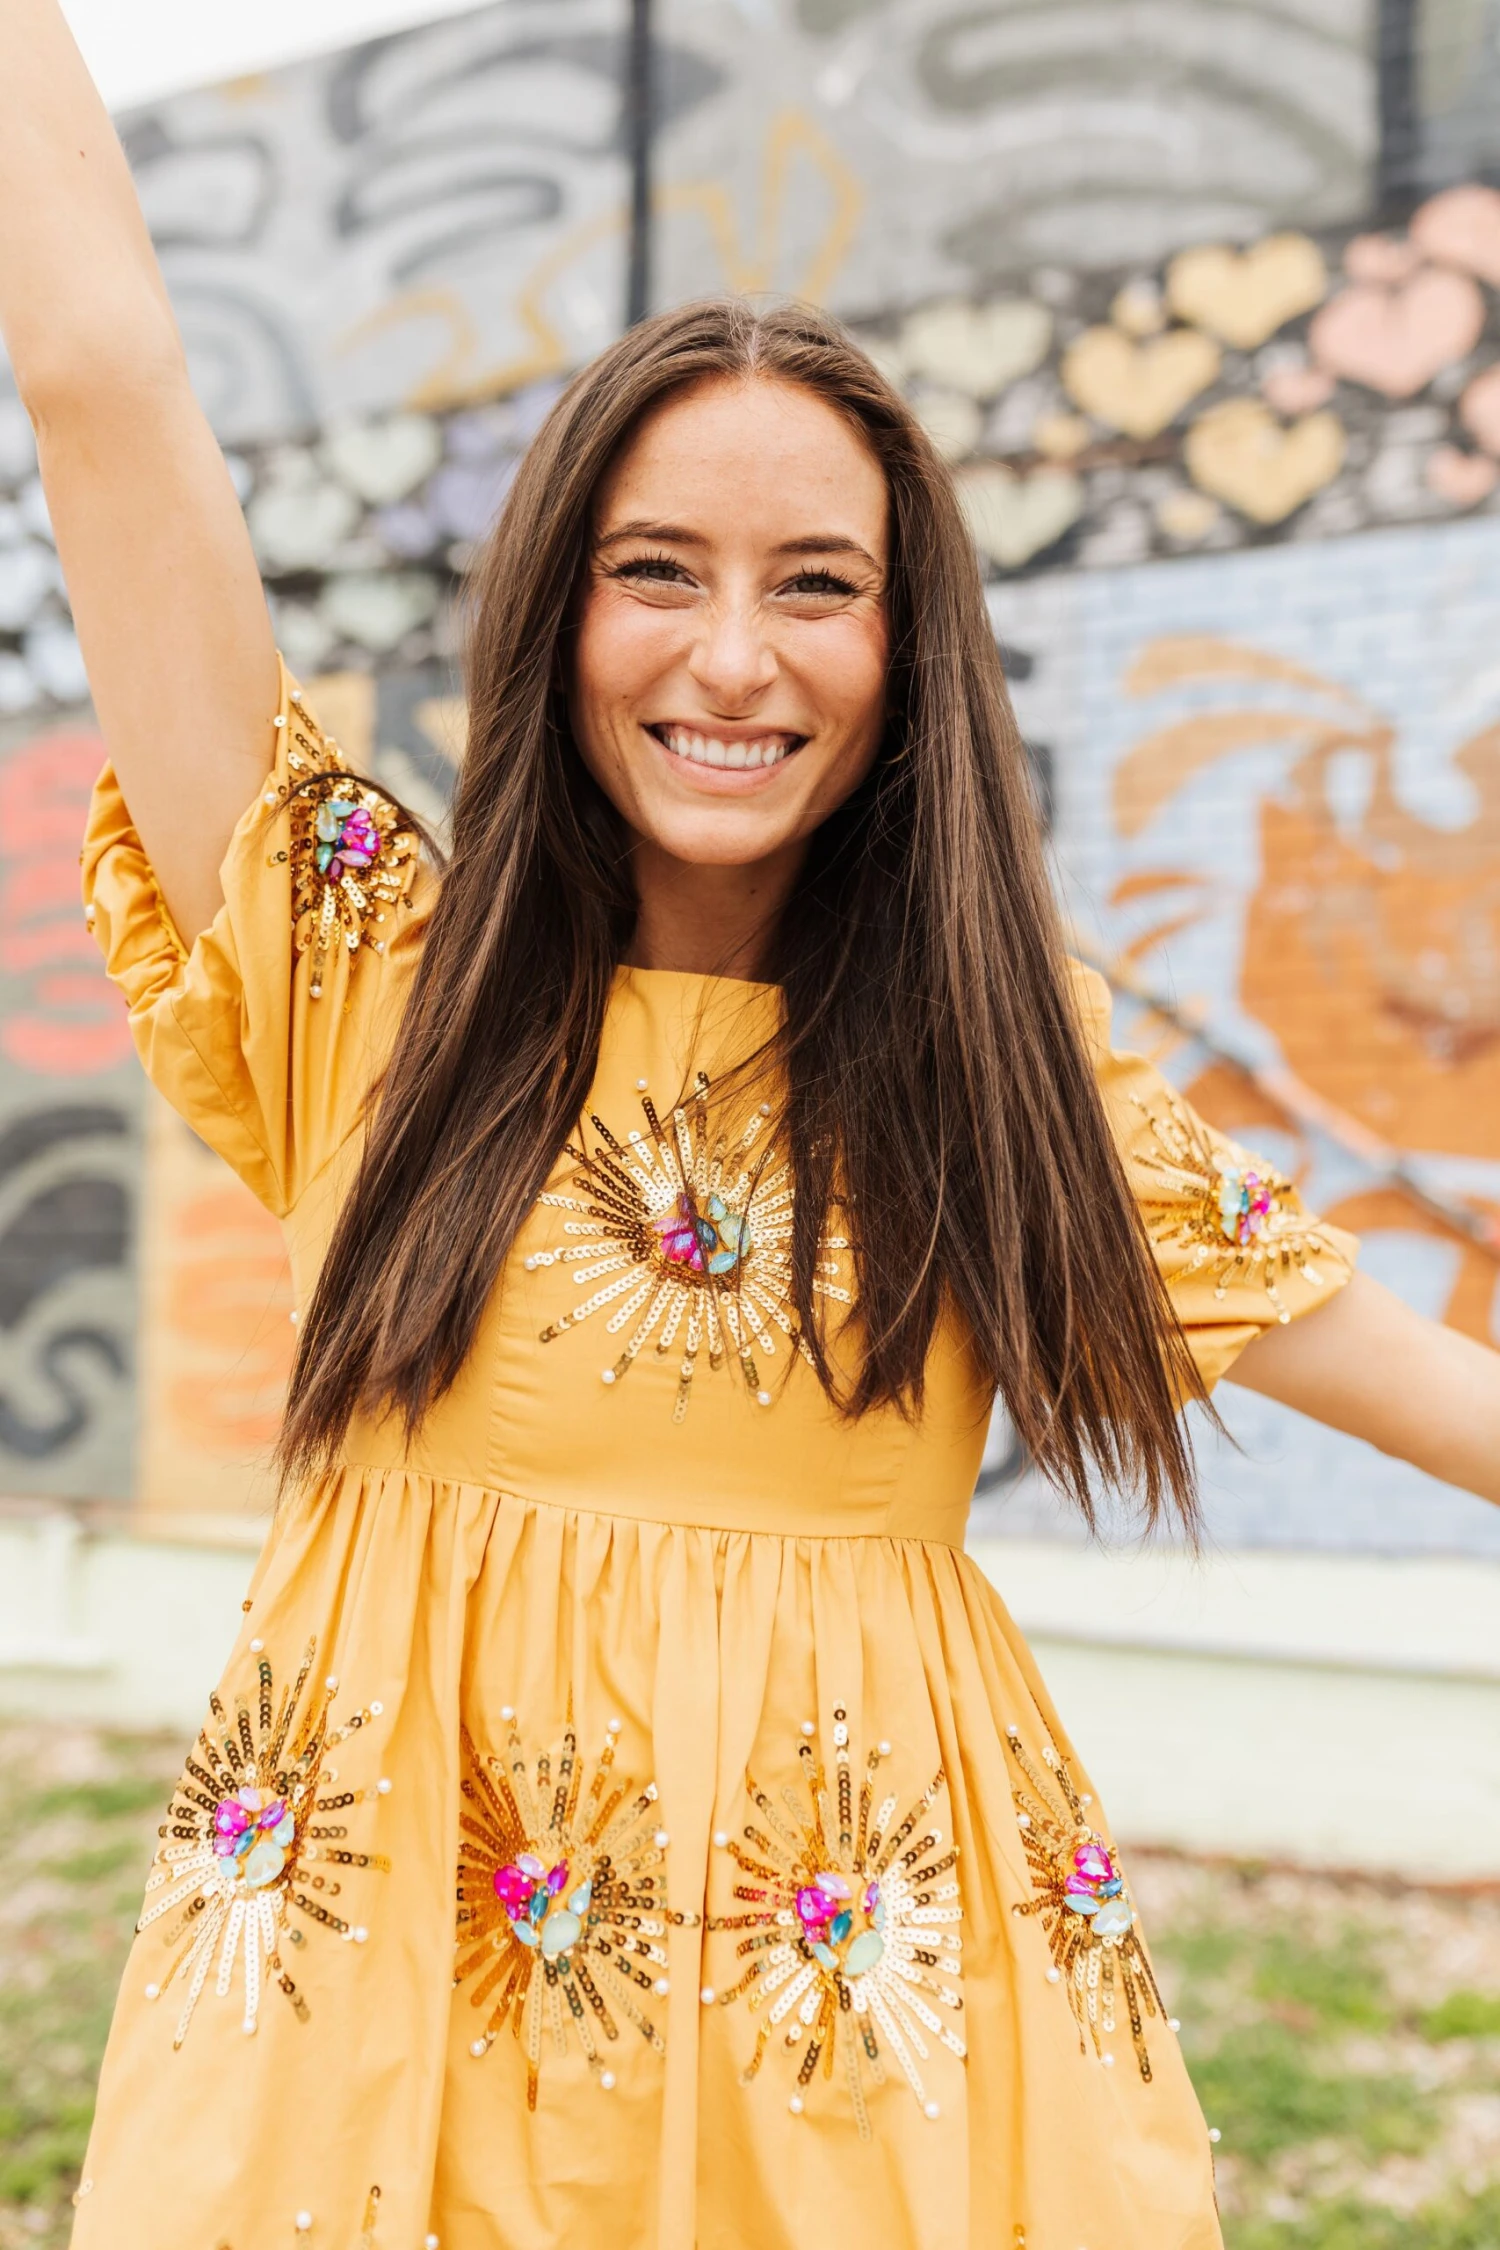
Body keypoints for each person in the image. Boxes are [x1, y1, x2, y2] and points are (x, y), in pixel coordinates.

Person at [5, 7, 1499, 2247]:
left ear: (907, 650)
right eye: (656, 569)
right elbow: (105, 378)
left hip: (866, 2070)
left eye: (817, 582)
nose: (733, 658)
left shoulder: (998, 1071)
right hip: (374, 2038)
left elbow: (1419, 1380)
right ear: (554, 611)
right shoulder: (360, 978)